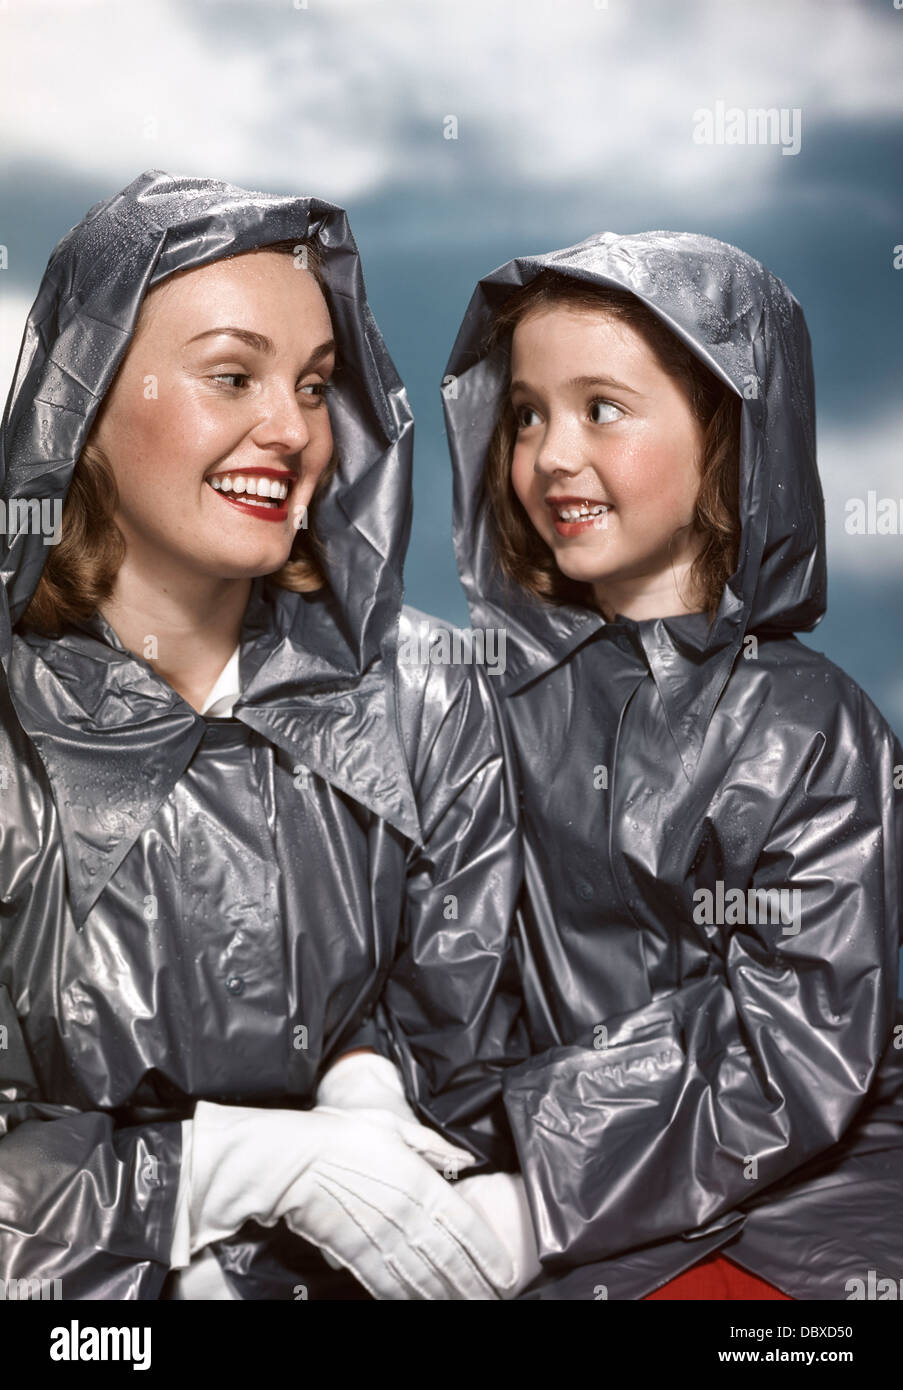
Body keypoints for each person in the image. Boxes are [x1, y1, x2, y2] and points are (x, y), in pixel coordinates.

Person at [0, 170, 536, 1301]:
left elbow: (474, 1054)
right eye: (231, 375)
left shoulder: (432, 693)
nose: (290, 430)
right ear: (84, 399)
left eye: (316, 384)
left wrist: (369, 1082)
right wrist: (228, 1170)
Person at [442, 231, 903, 1300]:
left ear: (729, 430)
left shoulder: (808, 728)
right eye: (527, 413)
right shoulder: (495, 705)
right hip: (543, 1200)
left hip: (800, 1216)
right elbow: (455, 968)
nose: (553, 453)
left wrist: (536, 1192)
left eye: (601, 407)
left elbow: (791, 1040)